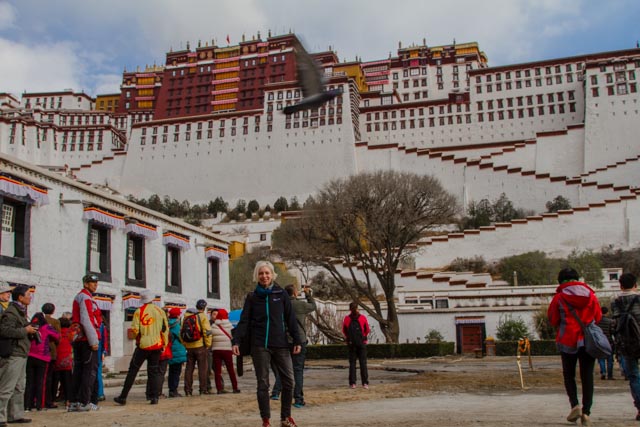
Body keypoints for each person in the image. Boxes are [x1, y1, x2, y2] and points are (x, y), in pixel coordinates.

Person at [232, 260, 303, 427]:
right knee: (263, 383)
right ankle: (266, 420)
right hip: (260, 345)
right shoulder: (252, 297)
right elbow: (244, 321)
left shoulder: (281, 294)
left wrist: (297, 339)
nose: (264, 276)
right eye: (261, 273)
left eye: (267, 273)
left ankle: (285, 417)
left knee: (289, 381)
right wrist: (236, 341)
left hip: (281, 344)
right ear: (256, 276)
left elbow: (290, 319)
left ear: (272, 275)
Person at [548, 267, 602, 427]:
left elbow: (553, 319)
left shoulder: (559, 298)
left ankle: (575, 406)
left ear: (560, 281)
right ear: (577, 279)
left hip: (567, 340)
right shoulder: (591, 295)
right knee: (587, 376)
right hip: (588, 341)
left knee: (569, 375)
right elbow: (598, 316)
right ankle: (586, 413)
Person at [114, 290, 168, 405]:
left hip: (143, 345)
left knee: (133, 370)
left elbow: (135, 330)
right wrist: (164, 343)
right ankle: (154, 397)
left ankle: (123, 396)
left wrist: (137, 337)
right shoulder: (160, 311)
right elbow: (164, 329)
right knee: (153, 371)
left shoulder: (139, 311)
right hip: (157, 345)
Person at [271, 284, 316, 407]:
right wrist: (308, 294)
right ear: (295, 293)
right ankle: (298, 399)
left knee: (283, 369)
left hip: (284, 340)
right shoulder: (300, 305)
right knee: (298, 370)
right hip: (299, 339)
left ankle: (276, 392)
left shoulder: (281, 304)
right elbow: (313, 306)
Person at [0, 284, 38, 425]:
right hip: (13, 353)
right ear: (21, 297)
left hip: (21, 353)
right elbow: (4, 331)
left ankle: (15, 415)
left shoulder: (20, 312)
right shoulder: (11, 313)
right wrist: (25, 331)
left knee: (19, 387)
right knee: (7, 387)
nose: (30, 297)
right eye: (28, 295)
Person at [68, 274, 102, 412]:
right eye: (92, 283)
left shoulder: (82, 297)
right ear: (86, 284)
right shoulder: (85, 298)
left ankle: (74, 401)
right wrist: (93, 340)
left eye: (96, 283)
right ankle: (84, 401)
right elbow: (86, 319)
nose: (95, 285)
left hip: (81, 339)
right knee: (89, 372)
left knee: (79, 370)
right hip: (86, 340)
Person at [611, 272, 640, 421]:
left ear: (620, 286)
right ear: (635, 285)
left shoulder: (615, 302)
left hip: (626, 343)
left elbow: (616, 323)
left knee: (633, 376)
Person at [24, 312, 60, 412]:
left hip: (30, 356)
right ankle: (39, 405)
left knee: (29, 382)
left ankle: (27, 405)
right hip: (42, 357)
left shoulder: (29, 327)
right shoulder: (46, 327)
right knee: (41, 381)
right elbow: (57, 336)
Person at [183, 300, 212, 396]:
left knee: (189, 368)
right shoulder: (202, 316)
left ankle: (188, 390)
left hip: (189, 347)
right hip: (200, 346)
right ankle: (203, 389)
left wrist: (185, 344)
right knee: (202, 368)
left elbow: (181, 332)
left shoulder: (186, 317)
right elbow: (207, 332)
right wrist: (208, 344)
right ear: (204, 307)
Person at [210, 308, 240, 394]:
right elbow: (233, 338)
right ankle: (235, 387)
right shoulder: (230, 326)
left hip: (216, 350)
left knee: (217, 371)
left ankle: (219, 389)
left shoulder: (213, 326)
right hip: (227, 350)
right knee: (231, 370)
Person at [342, 301, 371, 390]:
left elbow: (344, 330)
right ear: (357, 308)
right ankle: (365, 383)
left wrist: (349, 338)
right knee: (363, 364)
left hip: (352, 344)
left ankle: (353, 383)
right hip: (361, 343)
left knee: (352, 364)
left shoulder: (347, 319)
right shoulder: (362, 318)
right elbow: (367, 330)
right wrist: (363, 337)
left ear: (350, 309)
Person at [41, 303, 61, 409]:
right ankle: (49, 400)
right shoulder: (55, 322)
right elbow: (58, 337)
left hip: (39, 351)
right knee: (50, 377)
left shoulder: (40, 320)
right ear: (53, 311)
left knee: (40, 377)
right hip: (51, 351)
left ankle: (39, 399)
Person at [167, 308, 186, 398]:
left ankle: (171, 389)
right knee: (176, 372)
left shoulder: (168, 324)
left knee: (171, 371)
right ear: (177, 315)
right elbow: (181, 338)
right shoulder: (177, 326)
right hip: (178, 351)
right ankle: (173, 390)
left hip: (171, 350)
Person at [54, 317, 73, 407]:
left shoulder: (57, 333)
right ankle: (68, 399)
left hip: (57, 359)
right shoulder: (70, 334)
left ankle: (53, 399)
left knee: (55, 381)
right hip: (67, 360)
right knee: (67, 381)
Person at [596, 307, 614, 380]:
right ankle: (610, 375)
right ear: (607, 313)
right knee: (610, 360)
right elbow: (612, 332)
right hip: (608, 342)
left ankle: (603, 372)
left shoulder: (597, 321)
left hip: (599, 341)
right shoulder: (610, 321)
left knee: (601, 358)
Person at [95, 317, 109, 402]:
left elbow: (104, 340)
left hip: (97, 353)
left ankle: (99, 393)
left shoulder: (101, 327)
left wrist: (103, 352)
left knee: (97, 373)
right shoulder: (101, 327)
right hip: (97, 352)